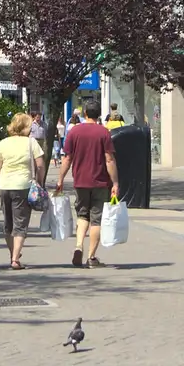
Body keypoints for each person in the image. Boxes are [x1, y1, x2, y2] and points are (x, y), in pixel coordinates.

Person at [55, 99, 119, 269]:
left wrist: (60, 179)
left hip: (80, 181)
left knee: (83, 215)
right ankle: (91, 257)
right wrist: (115, 182)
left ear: (84, 114)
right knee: (96, 219)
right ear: (98, 115)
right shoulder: (104, 133)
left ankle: (78, 245)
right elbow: (109, 159)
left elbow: (67, 158)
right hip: (100, 182)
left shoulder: (74, 132)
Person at [0, 113, 46, 271]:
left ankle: (13, 254)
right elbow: (40, 165)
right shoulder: (31, 143)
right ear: (26, 127)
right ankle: (16, 259)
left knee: (8, 223)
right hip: (22, 186)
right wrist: (40, 181)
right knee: (21, 223)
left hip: (4, 186)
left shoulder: (3, 143)